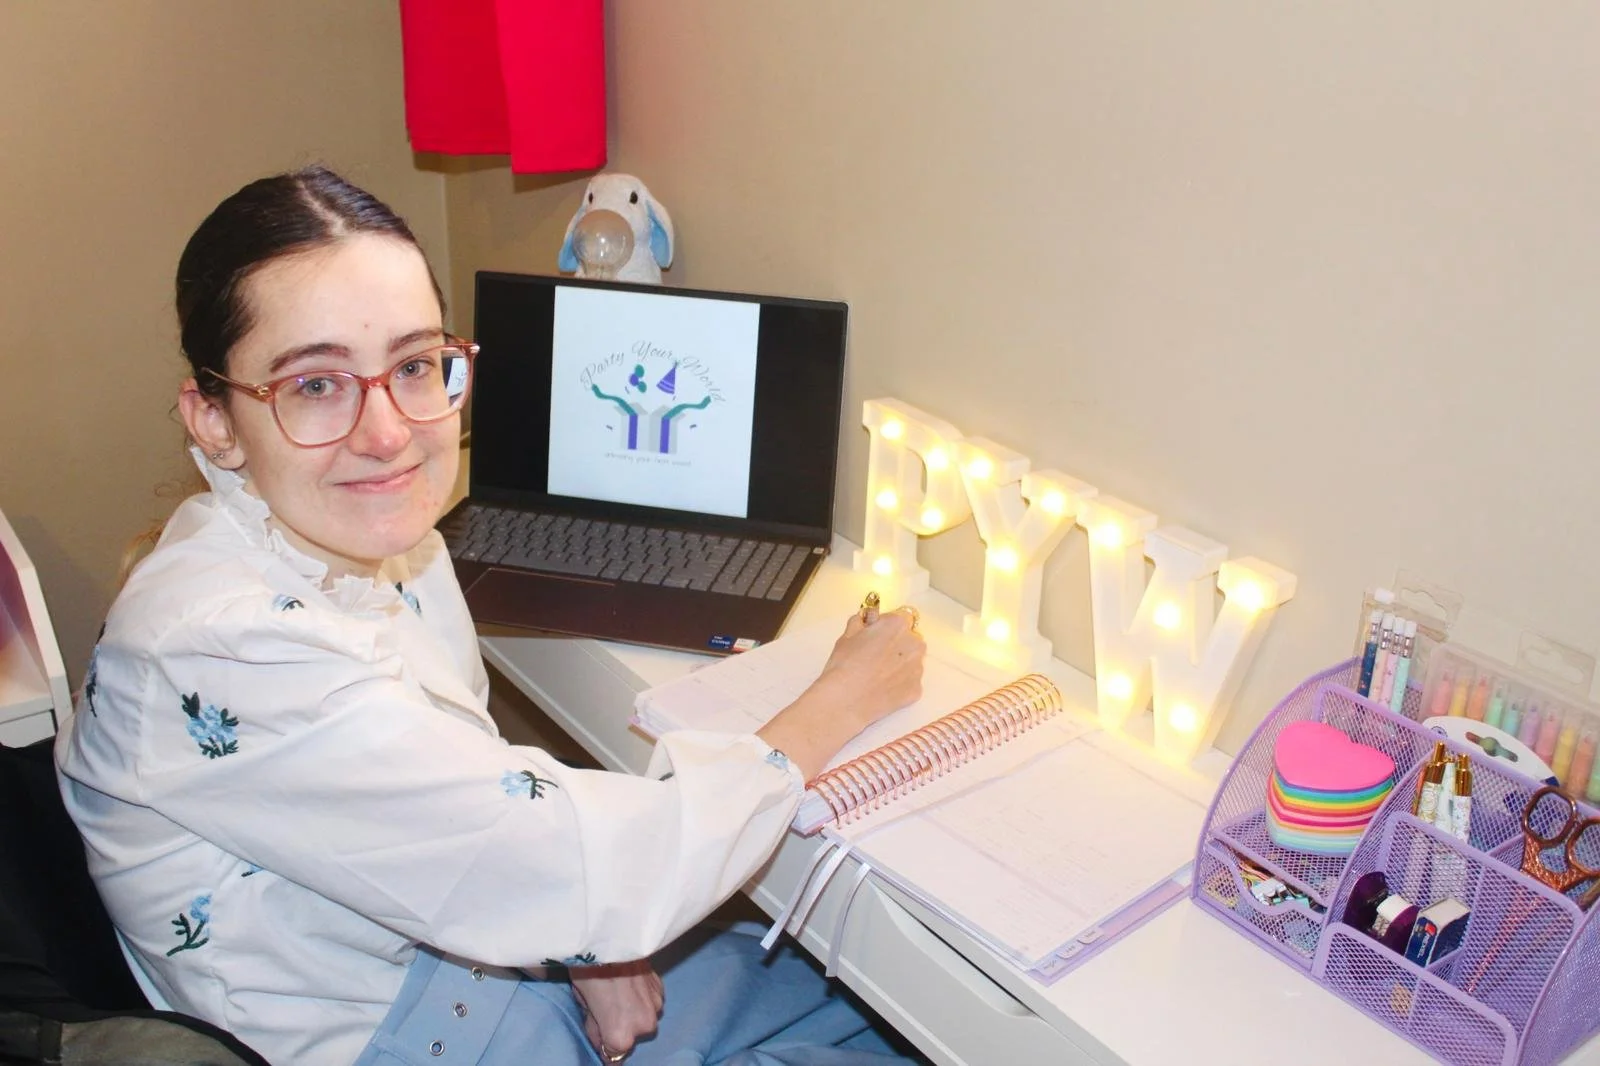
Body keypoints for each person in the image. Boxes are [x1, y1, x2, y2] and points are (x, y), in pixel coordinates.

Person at [54, 165, 926, 1066]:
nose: (388, 432)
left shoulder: (380, 539)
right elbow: (575, 869)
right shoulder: (226, 643)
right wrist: (836, 703)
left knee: (864, 1017)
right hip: (404, 1033)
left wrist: (581, 939)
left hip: (470, 953)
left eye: (415, 365)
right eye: (316, 385)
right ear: (215, 420)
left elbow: (459, 778)